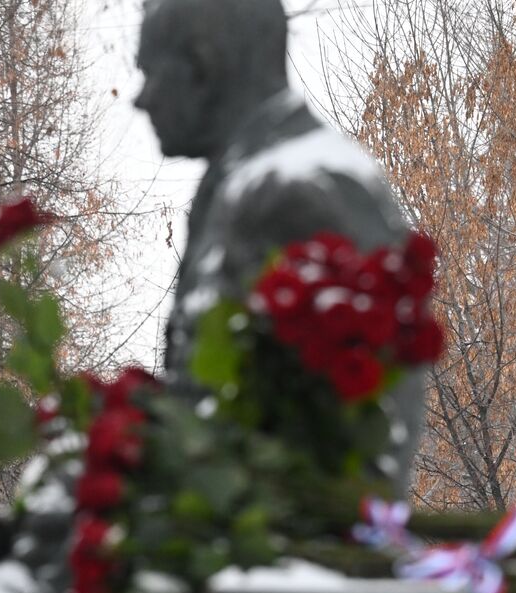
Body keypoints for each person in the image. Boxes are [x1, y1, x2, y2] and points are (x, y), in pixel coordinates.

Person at [135, 0, 422, 488]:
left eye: (151, 73)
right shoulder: (245, 182)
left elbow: (357, 446)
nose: (142, 100)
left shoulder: (298, 192)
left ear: (204, 64)